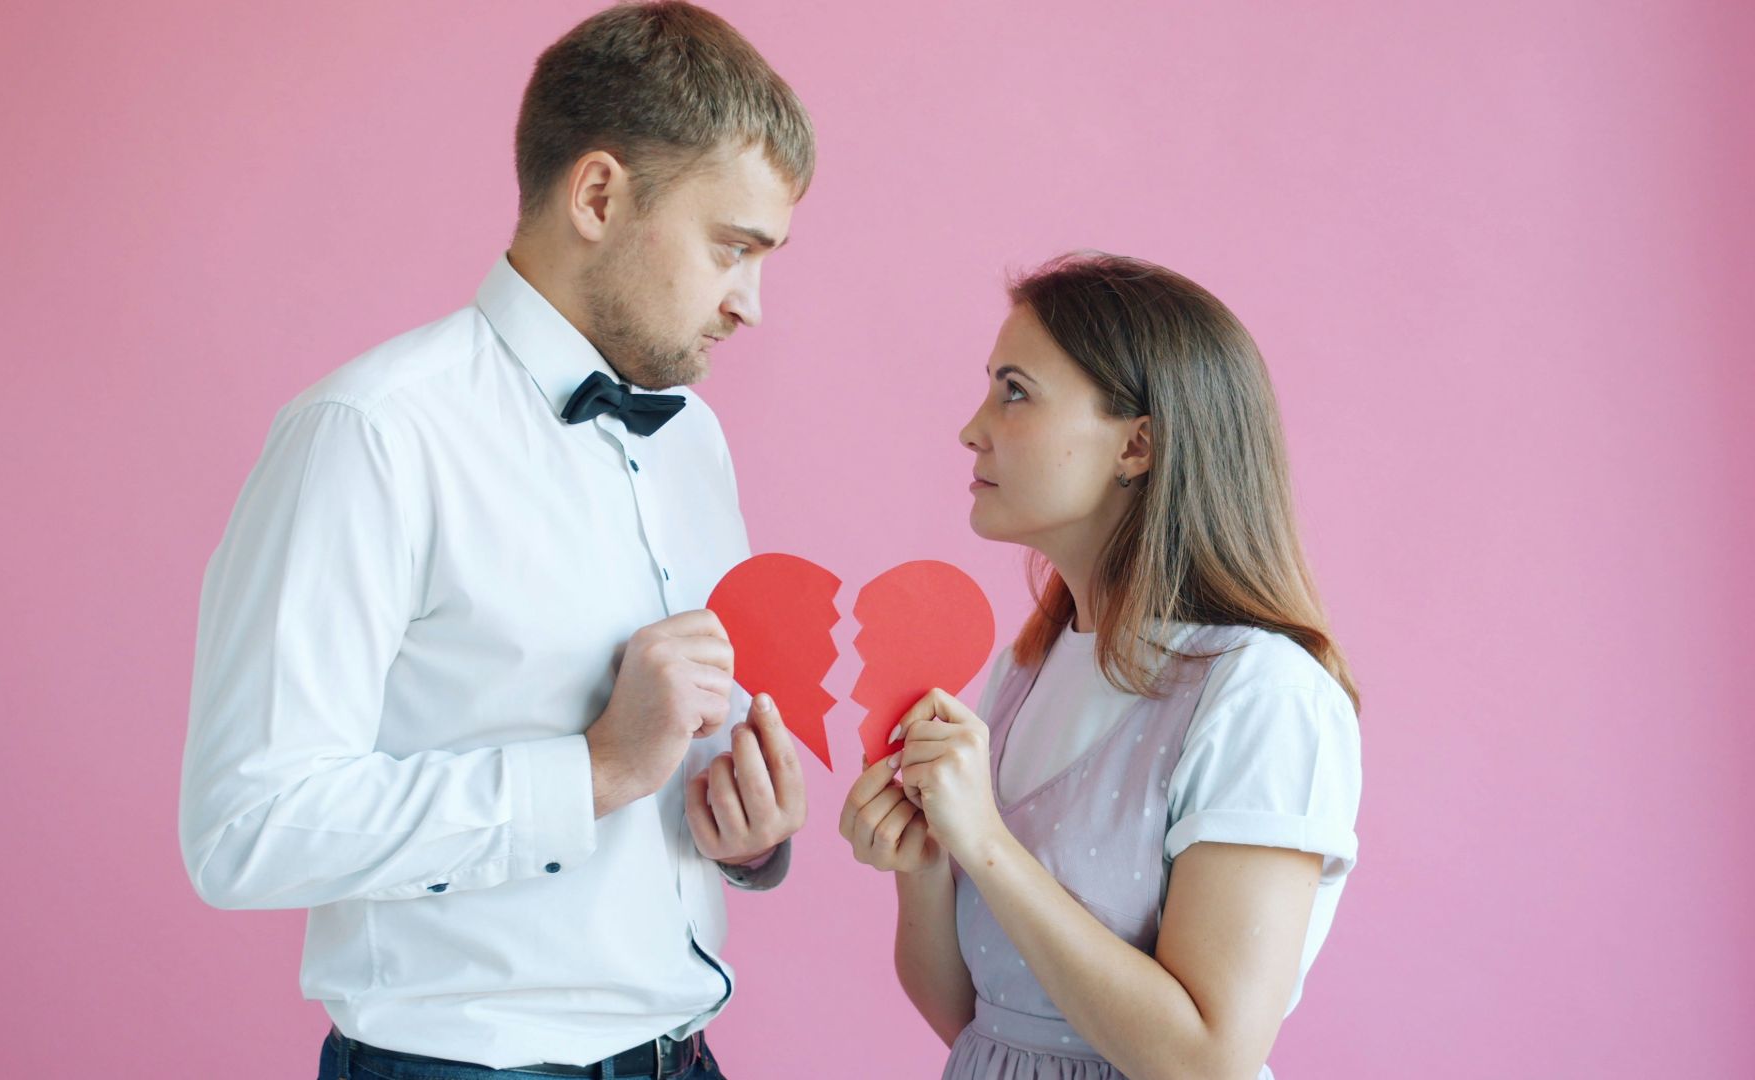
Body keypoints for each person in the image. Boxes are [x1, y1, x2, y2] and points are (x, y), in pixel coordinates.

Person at [177, 5, 815, 1077]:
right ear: (600, 196)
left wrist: (746, 835)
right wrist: (595, 771)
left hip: (684, 1052)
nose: (750, 304)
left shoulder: (693, 439)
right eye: (732, 248)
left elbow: (664, 776)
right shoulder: (373, 436)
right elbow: (248, 828)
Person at [840, 253, 1363, 1080]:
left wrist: (985, 843)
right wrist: (927, 867)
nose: (973, 428)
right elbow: (977, 1022)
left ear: (1138, 444)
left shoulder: (1262, 695)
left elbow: (1210, 1060)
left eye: (1015, 391)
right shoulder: (1024, 670)